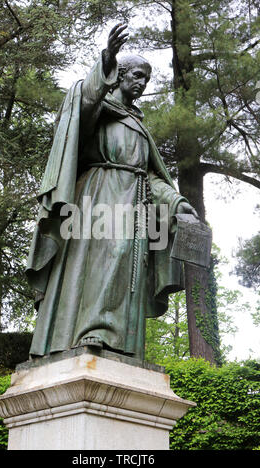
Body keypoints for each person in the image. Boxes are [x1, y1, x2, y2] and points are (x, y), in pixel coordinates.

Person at [26, 24, 198, 360]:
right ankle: (92, 332)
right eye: (136, 75)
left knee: (126, 269)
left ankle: (120, 343)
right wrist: (106, 59)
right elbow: (85, 102)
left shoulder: (138, 126)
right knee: (106, 259)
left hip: (134, 203)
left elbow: (150, 175)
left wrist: (178, 203)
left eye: (146, 79)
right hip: (98, 198)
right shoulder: (99, 110)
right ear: (117, 76)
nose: (142, 83)